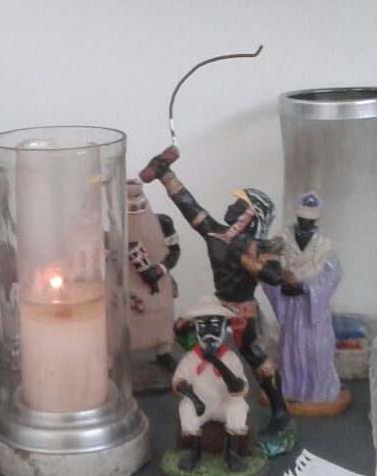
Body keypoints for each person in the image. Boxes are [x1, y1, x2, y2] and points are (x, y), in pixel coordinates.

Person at [139, 146, 297, 440]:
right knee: (183, 330)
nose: (230, 207)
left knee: (255, 357)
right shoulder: (216, 233)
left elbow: (274, 275)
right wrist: (165, 174)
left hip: (243, 310)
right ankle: (206, 385)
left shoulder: (259, 247)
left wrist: (244, 259)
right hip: (218, 304)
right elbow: (189, 206)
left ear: (249, 215)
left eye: (238, 204)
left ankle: (280, 411)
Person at [264, 192, 346, 412]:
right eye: (302, 218)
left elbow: (334, 274)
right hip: (290, 306)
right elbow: (267, 264)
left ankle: (319, 390)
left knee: (316, 348)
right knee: (290, 346)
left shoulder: (324, 246)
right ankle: (292, 389)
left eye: (309, 220)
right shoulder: (281, 239)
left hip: (313, 307)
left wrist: (306, 289)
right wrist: (279, 282)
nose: (305, 223)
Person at [171, 296, 249, 472]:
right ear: (197, 329)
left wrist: (216, 361)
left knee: (238, 405)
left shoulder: (230, 358)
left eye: (214, 326)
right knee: (186, 406)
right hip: (201, 405)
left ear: (224, 328)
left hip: (223, 403)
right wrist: (195, 400)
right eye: (203, 326)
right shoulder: (191, 358)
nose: (209, 333)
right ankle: (195, 452)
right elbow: (178, 382)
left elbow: (238, 388)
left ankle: (231, 453)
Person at [127, 178, 181, 375]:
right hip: (129, 283)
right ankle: (120, 356)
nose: (136, 207)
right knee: (128, 320)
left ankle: (163, 351)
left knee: (162, 317)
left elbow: (175, 251)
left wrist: (160, 269)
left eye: (139, 203)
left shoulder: (163, 222)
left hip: (160, 282)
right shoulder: (116, 228)